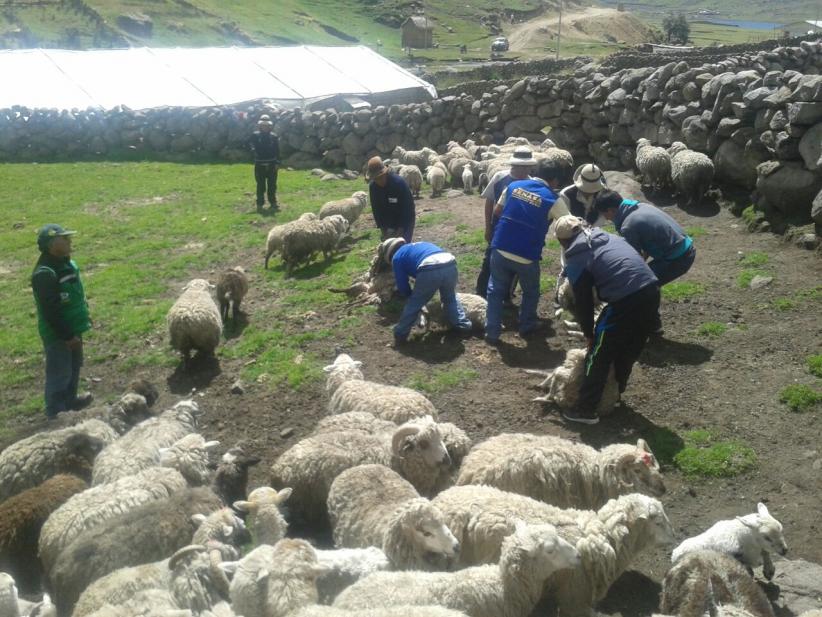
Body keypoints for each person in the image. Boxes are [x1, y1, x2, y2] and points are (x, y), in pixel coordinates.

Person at [555, 215, 660, 425]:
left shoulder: (576, 254)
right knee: (630, 346)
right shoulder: (608, 237)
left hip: (624, 300)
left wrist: (588, 333)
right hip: (651, 291)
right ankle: (614, 395)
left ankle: (586, 409)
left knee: (599, 352)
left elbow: (583, 299)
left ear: (562, 241)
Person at [484, 161, 567, 344]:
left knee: (495, 290)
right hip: (527, 253)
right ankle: (526, 325)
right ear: (554, 180)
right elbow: (567, 226)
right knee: (530, 291)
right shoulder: (553, 198)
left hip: (500, 246)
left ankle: (492, 331)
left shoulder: (514, 186)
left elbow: (497, 211)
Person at [31, 224, 93, 418]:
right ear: (51, 244)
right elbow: (51, 311)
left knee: (74, 367)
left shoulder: (67, 264)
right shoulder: (45, 273)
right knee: (60, 373)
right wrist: (66, 335)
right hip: (59, 334)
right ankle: (56, 414)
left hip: (74, 327)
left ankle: (70, 401)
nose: (69, 241)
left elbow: (75, 295)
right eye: (64, 238)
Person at [379, 237, 472, 345]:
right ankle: (463, 326)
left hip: (429, 267)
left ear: (389, 253)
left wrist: (408, 295)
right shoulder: (418, 245)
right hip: (450, 263)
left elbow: (402, 283)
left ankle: (400, 334)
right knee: (450, 297)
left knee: (414, 303)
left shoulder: (397, 257)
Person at [475, 146, 536, 301]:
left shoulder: (534, 183)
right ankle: (481, 293)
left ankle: (506, 294)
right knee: (490, 259)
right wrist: (488, 227)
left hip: (520, 230)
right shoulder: (500, 178)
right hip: (499, 227)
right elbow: (490, 202)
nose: (524, 170)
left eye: (527, 166)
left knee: (515, 261)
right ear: (513, 165)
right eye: (521, 166)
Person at [367, 156, 416, 243]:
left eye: (381, 177)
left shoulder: (399, 183)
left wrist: (401, 230)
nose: (379, 181)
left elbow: (408, 208)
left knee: (402, 246)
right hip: (388, 222)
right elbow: (376, 209)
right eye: (376, 179)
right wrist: (383, 230)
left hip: (405, 220)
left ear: (385, 174)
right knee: (389, 249)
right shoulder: (373, 188)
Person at [250, 114, 280, 212]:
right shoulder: (255, 136)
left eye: (267, 126)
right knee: (260, 185)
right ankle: (260, 203)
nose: (265, 127)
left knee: (272, 185)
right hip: (259, 163)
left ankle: (273, 202)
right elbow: (250, 145)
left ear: (270, 126)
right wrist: (253, 150)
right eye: (263, 125)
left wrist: (277, 163)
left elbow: (277, 150)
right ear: (260, 126)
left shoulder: (274, 136)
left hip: (271, 164)